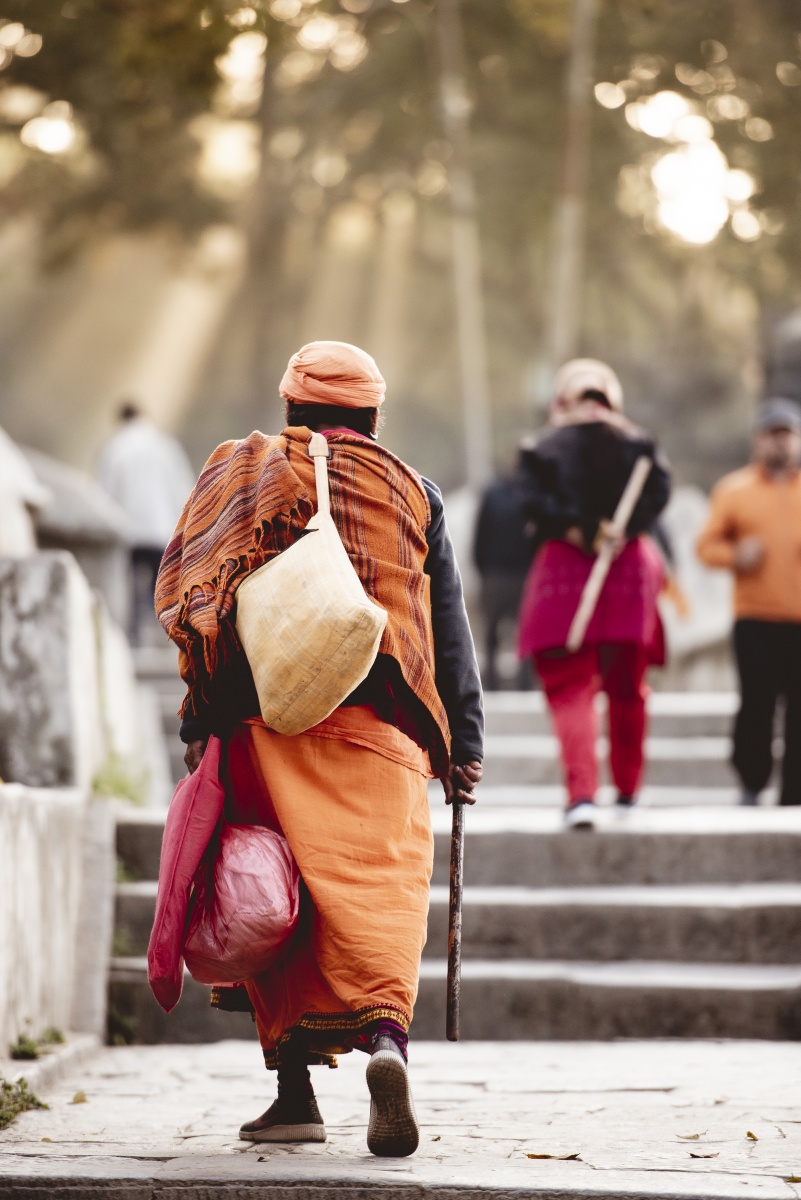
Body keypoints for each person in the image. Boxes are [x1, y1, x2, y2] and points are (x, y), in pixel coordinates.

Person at [154, 341, 484, 1156]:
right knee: (379, 890)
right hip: (388, 721)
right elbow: (448, 627)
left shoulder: (242, 471)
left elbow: (202, 599)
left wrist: (200, 719)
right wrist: (465, 742)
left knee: (276, 894)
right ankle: (385, 1044)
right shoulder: (414, 490)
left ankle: (294, 1094)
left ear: (290, 408)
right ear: (374, 416)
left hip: (270, 722)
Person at [517, 359, 671, 830]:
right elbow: (660, 491)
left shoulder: (541, 447)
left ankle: (582, 796)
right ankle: (627, 792)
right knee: (628, 689)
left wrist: (579, 529)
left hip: (565, 570)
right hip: (628, 569)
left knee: (570, 687)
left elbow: (529, 505)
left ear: (563, 398)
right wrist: (623, 529)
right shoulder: (640, 444)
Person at [696, 397, 801, 806]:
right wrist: (737, 556)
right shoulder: (734, 490)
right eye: (772, 435)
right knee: (756, 703)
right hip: (754, 617)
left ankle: (794, 794)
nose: (780, 444)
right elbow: (706, 547)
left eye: (787, 434)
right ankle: (752, 782)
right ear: (758, 441)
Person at [98, 402, 195, 643]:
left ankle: (135, 641)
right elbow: (182, 489)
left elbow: (105, 493)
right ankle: (166, 639)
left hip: (128, 530)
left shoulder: (114, 447)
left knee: (132, 591)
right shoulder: (165, 446)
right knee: (161, 588)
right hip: (161, 529)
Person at [472, 474, 533, 690]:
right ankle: (526, 682)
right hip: (524, 574)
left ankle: (490, 682)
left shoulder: (492, 494)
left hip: (494, 573)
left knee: (491, 632)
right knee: (525, 631)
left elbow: (480, 535)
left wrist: (483, 570)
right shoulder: (532, 495)